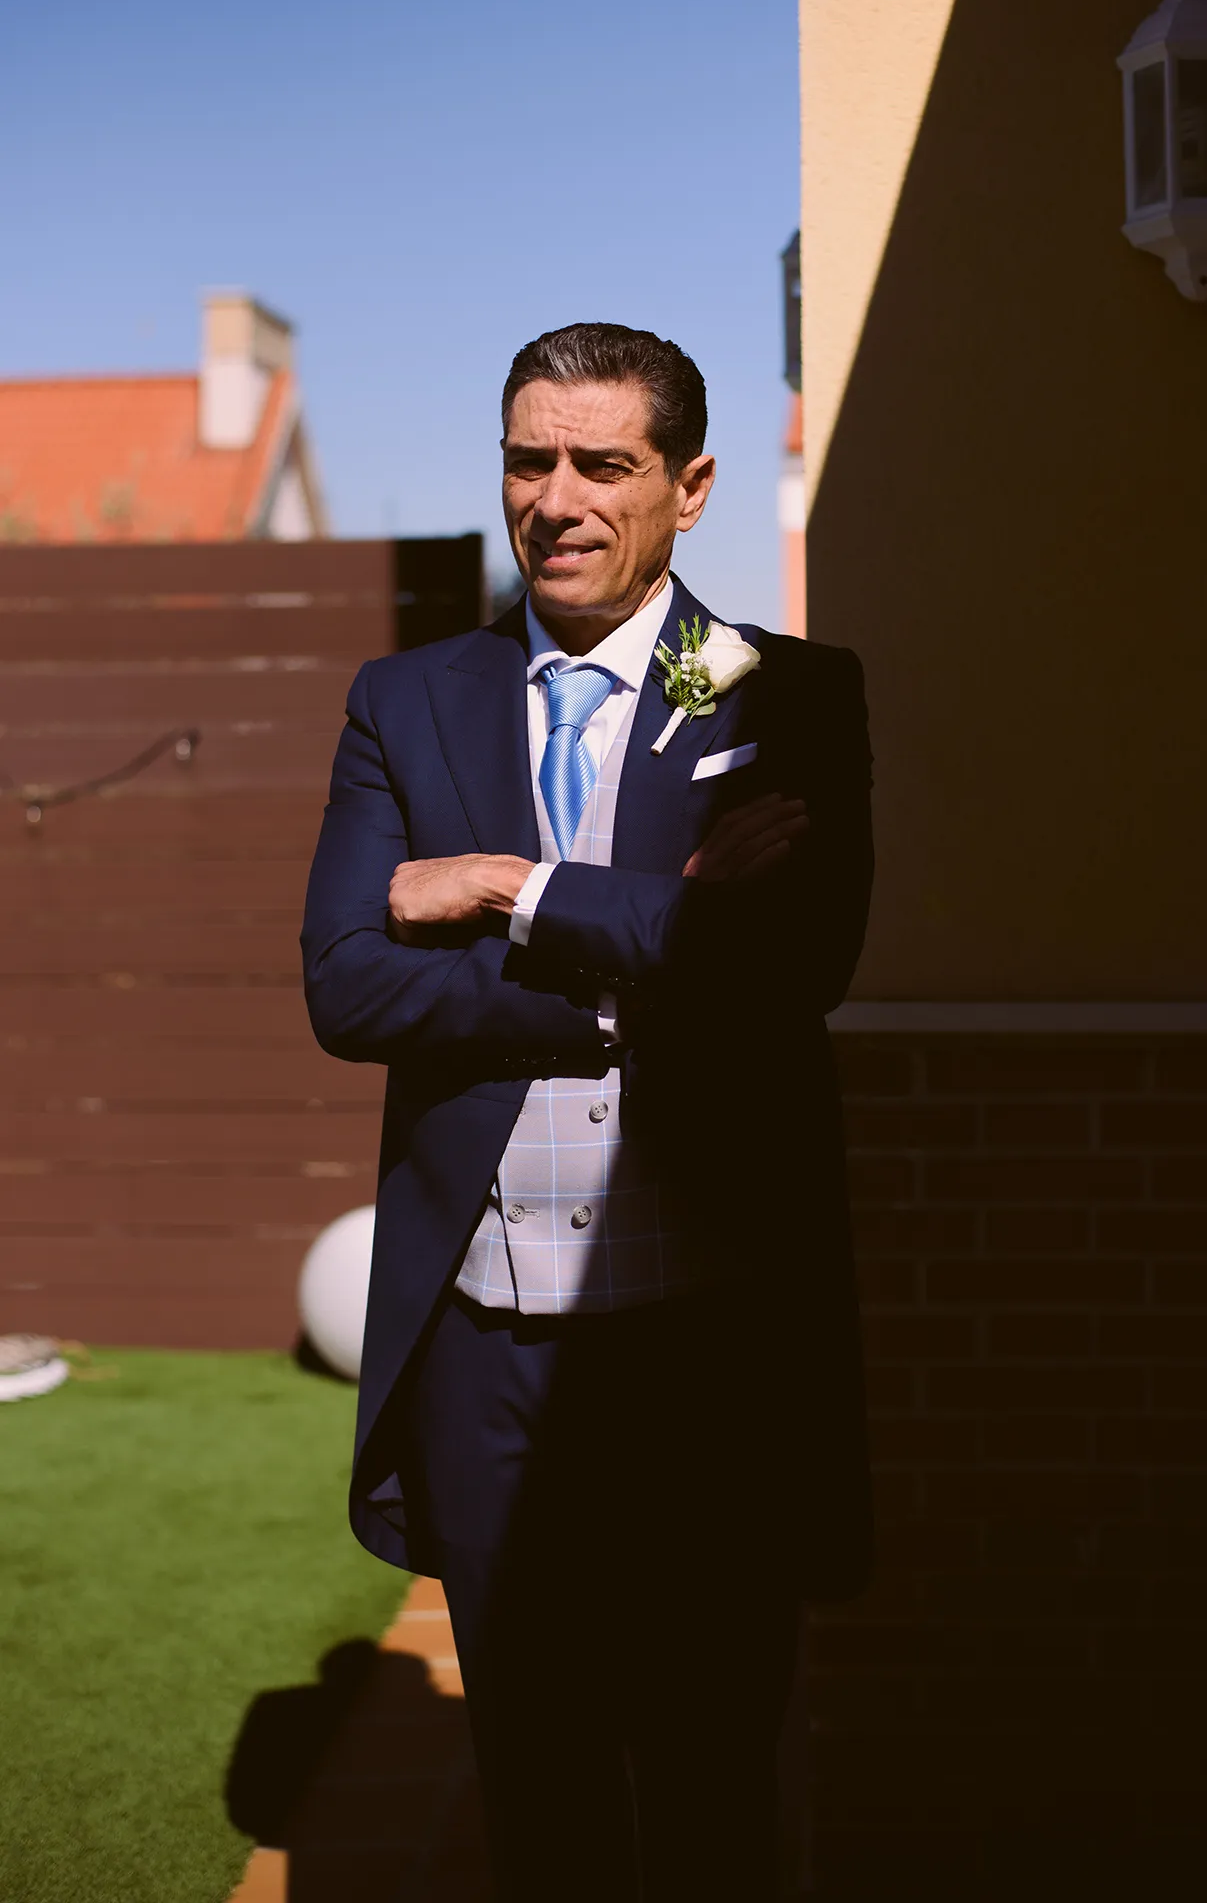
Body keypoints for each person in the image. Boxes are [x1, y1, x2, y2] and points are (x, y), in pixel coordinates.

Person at [301, 322, 874, 1900]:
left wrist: (506, 886)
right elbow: (347, 988)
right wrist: (648, 947)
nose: (554, 500)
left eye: (601, 464)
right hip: (485, 1350)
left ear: (689, 487)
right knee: (537, 1773)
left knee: (708, 1767)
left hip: (708, 1339)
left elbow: (790, 964)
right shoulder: (408, 699)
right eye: (527, 459)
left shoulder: (779, 693)